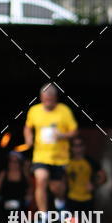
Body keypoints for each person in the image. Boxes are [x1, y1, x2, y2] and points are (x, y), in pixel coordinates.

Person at [24, 84, 77, 216]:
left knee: (56, 188)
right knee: (41, 179)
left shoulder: (64, 111)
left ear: (55, 98)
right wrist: (28, 139)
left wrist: (62, 135)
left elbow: (74, 131)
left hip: (59, 157)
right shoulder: (34, 110)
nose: (48, 102)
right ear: (41, 97)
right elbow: (27, 127)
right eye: (45, 99)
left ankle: (60, 201)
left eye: (50, 99)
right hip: (40, 156)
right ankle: (43, 215)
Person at [66, 137, 106, 212]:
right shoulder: (67, 162)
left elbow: (103, 177)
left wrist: (95, 185)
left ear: (84, 147)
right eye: (75, 146)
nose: (78, 149)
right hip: (70, 199)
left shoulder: (91, 162)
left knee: (86, 219)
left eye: (80, 145)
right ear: (71, 148)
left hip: (87, 199)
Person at [0, 151, 30, 221]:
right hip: (5, 202)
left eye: (15, 162)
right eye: (11, 161)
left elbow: (29, 187)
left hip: (20, 202)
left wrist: (28, 197)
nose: (13, 164)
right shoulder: (3, 173)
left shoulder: (24, 173)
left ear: (20, 163)